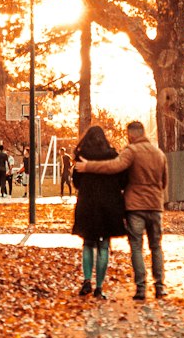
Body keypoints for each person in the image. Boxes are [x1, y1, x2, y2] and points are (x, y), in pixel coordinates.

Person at [76, 119, 168, 301]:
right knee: (156, 246)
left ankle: (141, 288)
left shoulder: (131, 151)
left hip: (135, 206)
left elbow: (114, 167)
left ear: (131, 135)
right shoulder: (159, 154)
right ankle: (160, 286)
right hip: (155, 206)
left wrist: (88, 167)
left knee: (136, 247)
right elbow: (164, 181)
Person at [71, 125, 129, 299]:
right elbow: (123, 181)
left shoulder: (81, 157)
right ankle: (99, 287)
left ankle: (87, 279)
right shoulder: (113, 156)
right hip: (109, 205)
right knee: (104, 246)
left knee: (88, 243)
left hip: (88, 204)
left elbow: (76, 182)